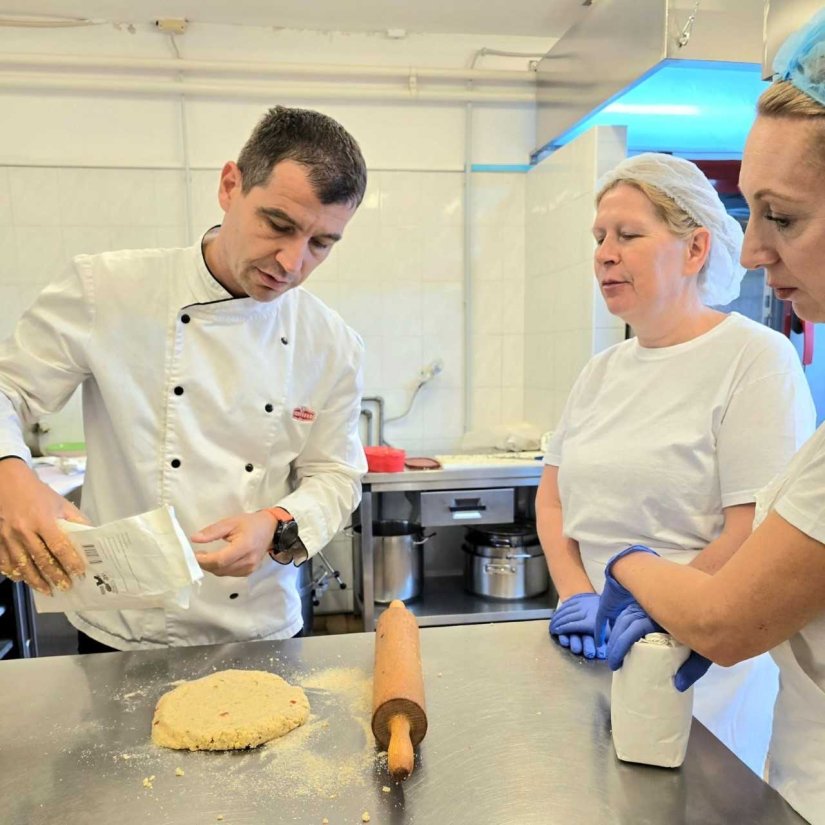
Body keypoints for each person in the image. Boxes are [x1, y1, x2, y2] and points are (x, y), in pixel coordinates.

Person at [0, 105, 368, 652]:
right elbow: (9, 389)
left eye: (321, 244)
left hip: (262, 627)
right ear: (229, 186)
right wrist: (10, 471)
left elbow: (336, 475)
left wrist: (276, 522)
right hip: (124, 628)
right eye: (279, 225)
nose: (292, 262)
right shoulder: (109, 289)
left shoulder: (330, 342)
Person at [594, 11, 825, 823]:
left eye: (782, 216)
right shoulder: (602, 370)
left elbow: (728, 617)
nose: (754, 249)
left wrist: (625, 568)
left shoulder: (752, 359)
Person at [536, 151, 816, 773]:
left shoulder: (754, 359)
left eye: (629, 235)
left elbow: (752, 530)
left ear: (695, 250)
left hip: (696, 667)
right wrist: (578, 597)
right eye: (600, 237)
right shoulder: (602, 370)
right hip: (595, 649)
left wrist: (650, 611)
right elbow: (552, 500)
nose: (605, 252)